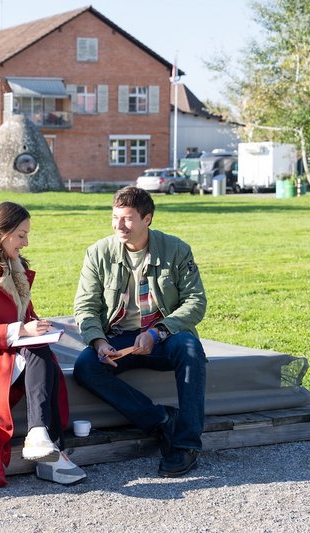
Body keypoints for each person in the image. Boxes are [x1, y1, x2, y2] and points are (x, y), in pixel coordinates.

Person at [0, 202, 86, 486]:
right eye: (21, 235)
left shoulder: (15, 268)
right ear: (1, 233)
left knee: (44, 354)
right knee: (41, 354)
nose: (26, 242)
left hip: (5, 344)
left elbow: (24, 315)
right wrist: (24, 329)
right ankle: (47, 449)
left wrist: (37, 326)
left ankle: (41, 439)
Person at [73, 186, 207, 477]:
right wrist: (99, 342)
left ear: (147, 219)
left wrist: (158, 332)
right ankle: (161, 420)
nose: (119, 225)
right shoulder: (98, 253)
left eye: (127, 218)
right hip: (119, 338)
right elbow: (85, 307)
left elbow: (196, 302)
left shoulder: (176, 249)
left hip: (165, 337)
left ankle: (186, 444)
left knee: (190, 349)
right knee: (85, 366)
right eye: (115, 217)